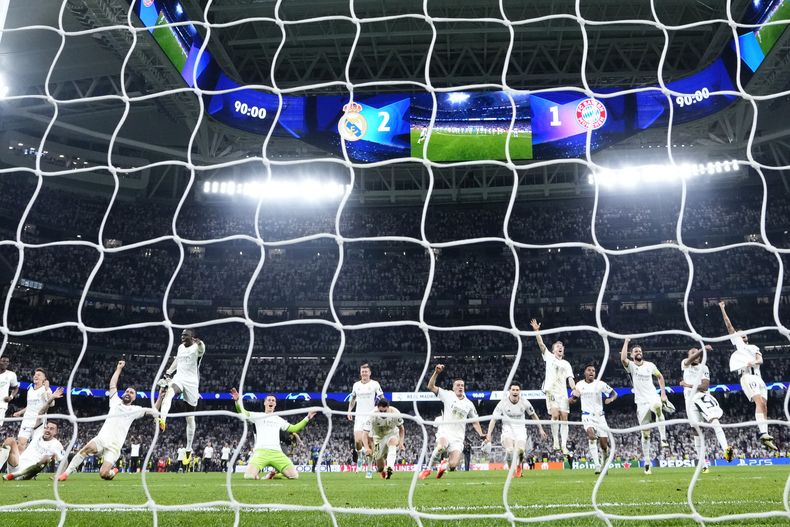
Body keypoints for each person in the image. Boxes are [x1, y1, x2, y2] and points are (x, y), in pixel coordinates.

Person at [58, 361, 157, 481]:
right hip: (102, 439)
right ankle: (66, 474)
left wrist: (160, 399)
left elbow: (153, 410)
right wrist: (119, 368)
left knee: (104, 474)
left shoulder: (135, 410)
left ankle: (113, 471)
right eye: (127, 391)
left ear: (134, 398)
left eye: (131, 393)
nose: (128, 393)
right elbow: (113, 384)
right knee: (85, 450)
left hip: (114, 447)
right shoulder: (115, 401)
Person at [718, 301, 778, 451]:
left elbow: (760, 359)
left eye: (743, 333)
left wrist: (755, 361)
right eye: (739, 333)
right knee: (759, 402)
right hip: (747, 376)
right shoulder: (739, 345)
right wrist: (722, 309)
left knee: (764, 406)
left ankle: (765, 434)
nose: (742, 334)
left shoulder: (754, 347)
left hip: (759, 378)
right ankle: (763, 434)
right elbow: (729, 326)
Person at [229, 388, 316, 480]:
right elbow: (242, 411)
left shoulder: (279, 420)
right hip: (261, 452)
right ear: (265, 403)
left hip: (277, 452)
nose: (271, 401)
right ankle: (258, 476)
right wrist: (237, 401)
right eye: (269, 400)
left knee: (294, 476)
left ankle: (272, 476)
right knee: (249, 477)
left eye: (273, 400)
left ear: (275, 404)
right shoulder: (257, 416)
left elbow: (294, 428)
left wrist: (307, 418)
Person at [419, 364, 485, 479]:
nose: (460, 387)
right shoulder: (448, 395)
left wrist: (481, 434)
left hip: (458, 438)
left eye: (462, 385)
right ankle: (428, 469)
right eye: (458, 385)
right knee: (440, 447)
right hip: (445, 432)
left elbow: (475, 421)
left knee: (453, 465)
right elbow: (430, 386)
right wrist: (436, 373)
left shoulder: (469, 404)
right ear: (453, 387)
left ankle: (444, 466)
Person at [680, 345, 735, 472]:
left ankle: (727, 450)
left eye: (697, 354)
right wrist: (701, 350)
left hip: (702, 397)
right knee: (696, 430)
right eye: (692, 353)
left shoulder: (704, 368)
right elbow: (689, 361)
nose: (695, 355)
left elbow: (704, 386)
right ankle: (703, 464)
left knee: (714, 421)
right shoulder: (685, 364)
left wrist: (687, 384)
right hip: (689, 401)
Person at [620, 339, 669, 475]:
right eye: (636, 351)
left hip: (653, 397)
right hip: (641, 403)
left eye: (640, 351)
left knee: (658, 406)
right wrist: (626, 341)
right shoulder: (631, 366)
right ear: (631, 355)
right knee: (645, 435)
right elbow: (623, 359)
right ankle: (647, 462)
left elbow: (660, 376)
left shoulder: (650, 365)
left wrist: (663, 394)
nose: (639, 352)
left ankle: (663, 438)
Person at [156, 328, 205, 462]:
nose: (182, 337)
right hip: (179, 378)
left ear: (192, 337)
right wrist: (168, 372)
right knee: (169, 393)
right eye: (182, 335)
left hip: (192, 383)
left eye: (185, 335)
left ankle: (188, 448)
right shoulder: (180, 347)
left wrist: (199, 343)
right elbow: (177, 360)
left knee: (190, 418)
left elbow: (202, 350)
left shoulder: (197, 347)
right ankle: (162, 419)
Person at [530, 319, 576, 454]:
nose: (560, 347)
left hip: (563, 393)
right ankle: (556, 440)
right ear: (553, 350)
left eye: (562, 346)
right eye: (557, 346)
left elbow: (570, 379)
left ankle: (564, 445)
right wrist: (537, 331)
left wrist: (574, 390)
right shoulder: (549, 357)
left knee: (564, 417)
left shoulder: (566, 364)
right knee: (555, 414)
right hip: (551, 391)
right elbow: (541, 344)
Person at [485, 381, 547, 478]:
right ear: (509, 391)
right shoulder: (502, 403)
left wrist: (541, 429)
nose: (515, 392)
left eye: (517, 390)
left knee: (520, 451)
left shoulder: (524, 402)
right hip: (507, 429)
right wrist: (489, 434)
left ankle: (518, 466)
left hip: (520, 430)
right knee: (510, 451)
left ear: (519, 391)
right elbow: (493, 419)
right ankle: (511, 471)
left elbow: (533, 415)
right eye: (513, 390)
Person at [0, 387, 64, 477]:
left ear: (56, 432)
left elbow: (64, 460)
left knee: (45, 459)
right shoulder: (39, 434)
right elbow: (41, 413)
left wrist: (61, 475)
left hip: (29, 471)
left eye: (51, 429)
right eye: (47, 427)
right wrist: (51, 399)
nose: (48, 430)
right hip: (17, 464)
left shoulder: (56, 444)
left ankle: (22, 476)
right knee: (10, 440)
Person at [568, 364, 617, 475]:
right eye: (589, 370)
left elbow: (614, 393)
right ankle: (597, 465)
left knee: (604, 445)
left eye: (593, 371)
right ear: (585, 372)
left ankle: (604, 463)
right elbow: (573, 400)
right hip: (587, 416)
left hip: (600, 417)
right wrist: (570, 399)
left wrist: (611, 399)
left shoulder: (600, 384)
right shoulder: (579, 384)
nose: (591, 372)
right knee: (591, 435)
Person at [347, 363, 383, 478]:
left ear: (370, 373)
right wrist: (349, 410)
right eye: (362, 372)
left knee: (370, 443)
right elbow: (353, 398)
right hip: (359, 416)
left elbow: (381, 397)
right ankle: (360, 456)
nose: (364, 373)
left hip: (371, 417)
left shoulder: (375, 384)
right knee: (358, 441)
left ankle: (369, 468)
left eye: (366, 371)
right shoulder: (356, 385)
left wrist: (381, 410)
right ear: (360, 373)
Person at [12, 368, 53, 450]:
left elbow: (52, 404)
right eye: (35, 374)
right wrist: (20, 412)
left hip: (38, 422)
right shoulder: (30, 390)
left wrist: (47, 389)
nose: (35, 376)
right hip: (27, 420)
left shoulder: (46, 389)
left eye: (39, 375)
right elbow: (30, 406)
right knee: (21, 444)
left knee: (35, 447)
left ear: (44, 379)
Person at [366, 398, 404, 480]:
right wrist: (367, 447)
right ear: (377, 408)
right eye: (381, 411)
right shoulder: (372, 415)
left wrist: (401, 443)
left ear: (388, 408)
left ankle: (390, 468)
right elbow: (365, 433)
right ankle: (382, 470)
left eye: (385, 411)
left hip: (392, 434)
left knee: (393, 442)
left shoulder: (395, 413)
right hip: (378, 438)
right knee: (380, 467)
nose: (383, 414)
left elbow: (401, 428)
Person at [0, 356, 20, 427]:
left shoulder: (11, 375)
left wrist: (11, 397)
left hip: (1, 404)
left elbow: (16, 388)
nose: (5, 363)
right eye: (3, 361)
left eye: (7, 361)